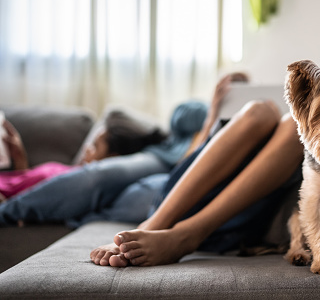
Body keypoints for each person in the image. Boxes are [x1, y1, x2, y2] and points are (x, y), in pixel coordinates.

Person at [0, 73, 246, 226]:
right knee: (98, 176)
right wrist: (214, 111)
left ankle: (76, 214)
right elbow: (178, 116)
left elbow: (201, 162)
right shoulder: (199, 113)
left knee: (147, 200)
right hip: (160, 160)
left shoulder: (245, 132)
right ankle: (8, 213)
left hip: (186, 173)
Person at [90, 99, 304, 267]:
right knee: (259, 110)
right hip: (184, 197)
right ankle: (152, 226)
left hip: (238, 210)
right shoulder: (177, 135)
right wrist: (215, 111)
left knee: (297, 125)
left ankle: (186, 235)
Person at [0, 110, 166, 201]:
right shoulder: (69, 172)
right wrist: (20, 159)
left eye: (95, 146)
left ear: (112, 159)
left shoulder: (75, 186)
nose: (86, 148)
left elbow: (30, 199)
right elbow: (22, 185)